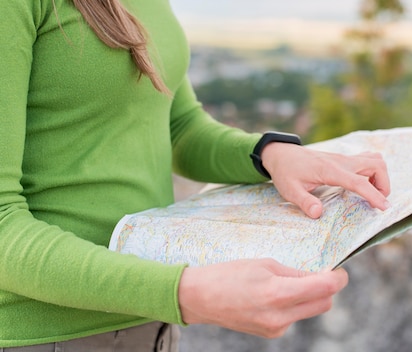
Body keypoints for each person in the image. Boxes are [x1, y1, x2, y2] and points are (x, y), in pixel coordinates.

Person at [0, 0, 391, 350]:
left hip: (150, 319)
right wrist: (186, 291)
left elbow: (178, 126)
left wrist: (269, 154)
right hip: (49, 333)